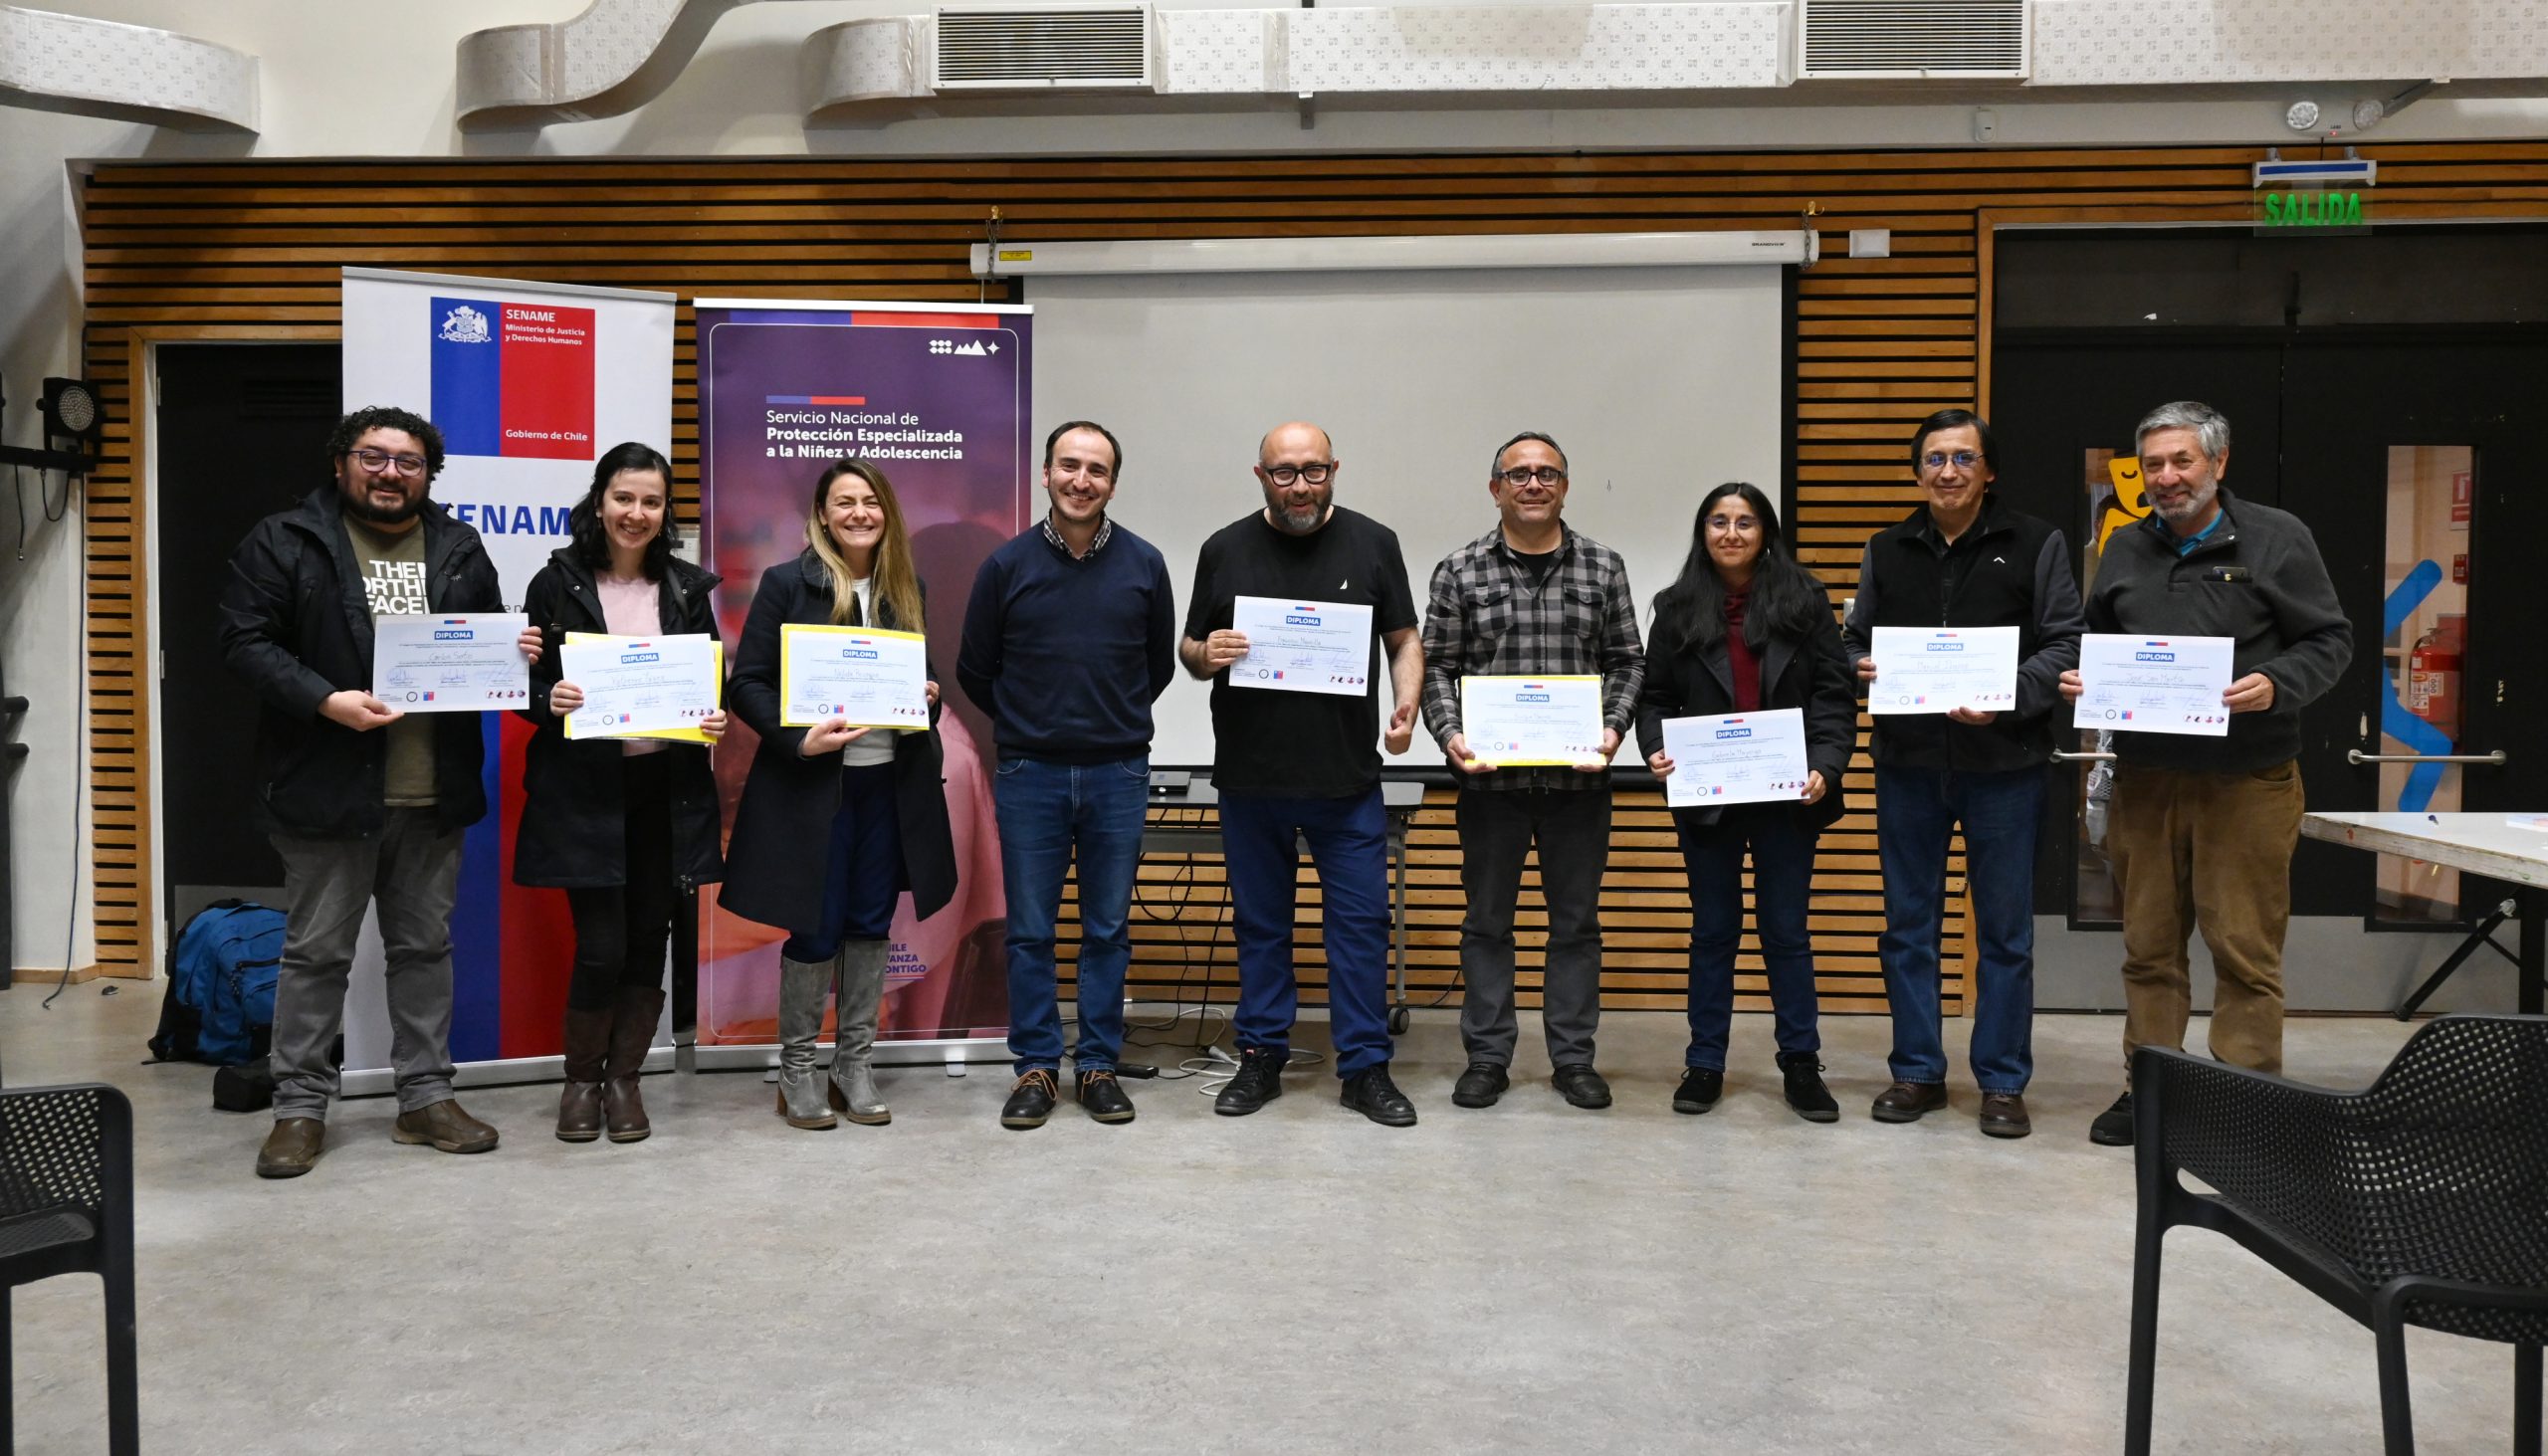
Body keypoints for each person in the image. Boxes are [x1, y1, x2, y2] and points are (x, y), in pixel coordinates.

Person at [218, 404, 540, 1179]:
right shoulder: (285, 539)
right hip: (325, 787)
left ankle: (425, 1097)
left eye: (409, 461)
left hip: (432, 789)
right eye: (374, 456)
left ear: (428, 474)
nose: (390, 472)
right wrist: (326, 698)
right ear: (341, 463)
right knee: (316, 954)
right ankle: (299, 1108)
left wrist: (517, 648)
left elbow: (485, 642)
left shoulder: (459, 544)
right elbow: (242, 639)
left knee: (424, 949)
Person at [2061, 401, 2350, 1147]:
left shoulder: (2278, 538)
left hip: (2245, 781)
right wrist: (2084, 678)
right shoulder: (2123, 546)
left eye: (2182, 461)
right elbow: (2097, 639)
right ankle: (2149, 1087)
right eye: (2153, 464)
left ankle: (2244, 1102)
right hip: (2147, 780)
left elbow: (2330, 639)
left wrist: (2278, 683)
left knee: (2244, 949)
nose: (2166, 477)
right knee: (2148, 948)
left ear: (2218, 463)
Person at [1843, 409, 2083, 1140]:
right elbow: (1853, 641)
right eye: (1935, 459)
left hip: (2005, 766)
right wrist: (1861, 668)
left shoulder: (2037, 542)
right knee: (1908, 927)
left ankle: (2003, 1081)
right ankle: (1916, 1069)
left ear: (1989, 471)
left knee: (2005, 932)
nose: (1948, 471)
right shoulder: (1886, 549)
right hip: (1908, 765)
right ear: (1918, 471)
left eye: (1963, 458)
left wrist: (2003, 696)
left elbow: (2064, 642)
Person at [1180, 421, 1424, 1127]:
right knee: (1262, 926)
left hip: (1347, 781)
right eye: (1285, 473)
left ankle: (1365, 1068)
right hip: (1251, 779)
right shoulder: (1222, 549)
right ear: (1260, 475)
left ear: (1334, 470)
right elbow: (1190, 649)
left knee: (1360, 927)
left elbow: (1403, 637)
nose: (1300, 486)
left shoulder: (1373, 542)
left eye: (1313, 471)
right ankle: (1261, 1057)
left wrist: (1407, 703)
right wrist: (1207, 652)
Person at [723, 459, 958, 1131]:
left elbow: (925, 676)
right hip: (812, 788)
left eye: (871, 501)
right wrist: (799, 737)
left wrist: (930, 695)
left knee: (869, 922)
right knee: (817, 924)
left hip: (890, 785)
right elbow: (749, 685)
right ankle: (796, 1069)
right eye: (844, 502)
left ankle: (852, 1065)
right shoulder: (784, 583)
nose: (859, 512)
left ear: (886, 512)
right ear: (822, 515)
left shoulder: (905, 585)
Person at [957, 420, 1176, 1131]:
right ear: (1045, 473)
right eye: (1070, 466)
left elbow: (1158, 668)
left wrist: (1106, 720)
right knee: (1030, 931)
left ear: (1114, 482)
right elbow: (975, 670)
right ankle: (1037, 1068)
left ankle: (1099, 1066)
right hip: (1031, 773)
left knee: (1107, 928)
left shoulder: (1145, 564)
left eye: (1098, 470)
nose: (1083, 480)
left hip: (1118, 771)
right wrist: (1032, 722)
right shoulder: (1006, 565)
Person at [1419, 431, 1643, 1111]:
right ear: (1496, 489)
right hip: (1491, 786)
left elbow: (1629, 660)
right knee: (1488, 922)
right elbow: (1436, 667)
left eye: (1548, 473)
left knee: (1575, 924)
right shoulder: (1458, 570)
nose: (1534, 484)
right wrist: (1450, 735)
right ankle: (1488, 1057)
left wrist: (1611, 730)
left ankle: (1573, 1060)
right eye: (1519, 474)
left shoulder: (1603, 567)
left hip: (1581, 784)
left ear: (1565, 487)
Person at [516, 443, 729, 1144]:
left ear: (666, 511)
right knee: (602, 943)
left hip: (667, 790)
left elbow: (706, 680)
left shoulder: (689, 589)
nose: (636, 513)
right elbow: (521, 688)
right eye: (624, 498)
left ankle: (625, 1080)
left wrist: (712, 715)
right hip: (586, 791)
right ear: (600, 501)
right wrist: (550, 697)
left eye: (651, 501)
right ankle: (581, 1081)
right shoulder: (557, 582)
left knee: (649, 938)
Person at [1635, 483, 1855, 1122]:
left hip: (1789, 797)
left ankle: (1801, 1064)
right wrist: (1656, 749)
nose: (1731, 533)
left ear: (1766, 533)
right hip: (1709, 798)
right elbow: (1655, 700)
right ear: (1703, 532)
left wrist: (1827, 765)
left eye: (1746, 522)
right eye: (1718, 522)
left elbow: (1835, 697)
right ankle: (1705, 1061)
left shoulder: (1804, 600)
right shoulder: (1675, 608)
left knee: (1785, 931)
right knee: (1713, 931)